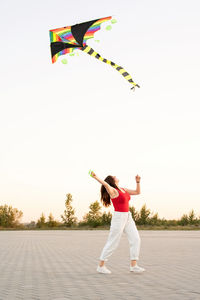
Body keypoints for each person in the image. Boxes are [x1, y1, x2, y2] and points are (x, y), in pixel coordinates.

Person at [90, 171, 145, 274]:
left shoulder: (123, 189)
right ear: (112, 181)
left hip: (128, 216)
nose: (116, 176)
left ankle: (134, 265)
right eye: (113, 177)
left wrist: (137, 182)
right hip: (119, 218)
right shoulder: (113, 191)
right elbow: (105, 184)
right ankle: (101, 266)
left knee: (135, 239)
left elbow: (137, 192)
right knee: (113, 242)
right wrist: (96, 177)